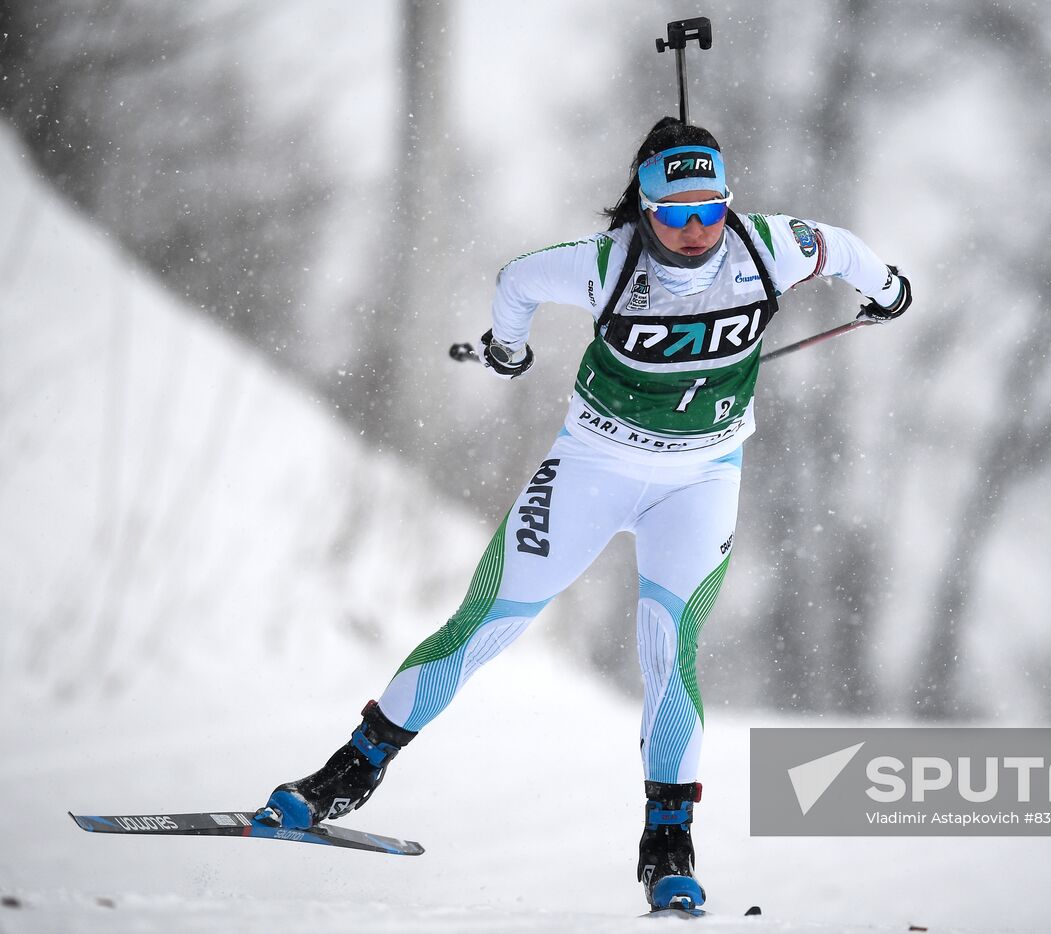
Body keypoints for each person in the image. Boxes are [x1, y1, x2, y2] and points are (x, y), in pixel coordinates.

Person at [257, 116, 911, 912]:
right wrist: (508, 349)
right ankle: (347, 775)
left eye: (711, 210)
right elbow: (517, 281)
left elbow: (841, 247)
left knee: (671, 649)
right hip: (593, 467)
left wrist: (889, 290)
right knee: (484, 622)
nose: (696, 231)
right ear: (644, 209)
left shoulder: (769, 249)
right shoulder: (605, 265)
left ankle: (668, 845)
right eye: (675, 214)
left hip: (700, 480)